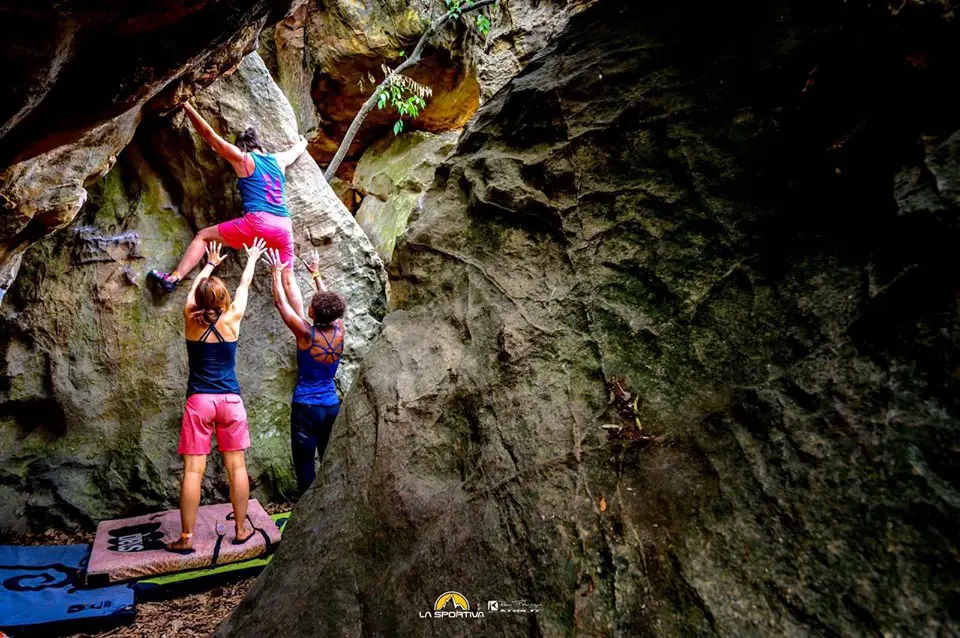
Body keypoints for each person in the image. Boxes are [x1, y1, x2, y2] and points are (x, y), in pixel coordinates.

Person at [149, 101, 308, 313]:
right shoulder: (278, 160)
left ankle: (174, 277)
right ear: (260, 146)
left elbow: (210, 136)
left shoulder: (244, 160)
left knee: (203, 237)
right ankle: (304, 325)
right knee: (288, 277)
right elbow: (297, 150)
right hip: (283, 225)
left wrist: (187, 106)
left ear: (243, 147)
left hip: (258, 223)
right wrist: (303, 142)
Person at [168, 237, 267, 554]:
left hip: (199, 402)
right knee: (237, 468)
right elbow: (244, 287)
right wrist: (251, 258)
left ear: (198, 300)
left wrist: (208, 264)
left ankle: (186, 538)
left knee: (193, 472)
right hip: (230, 402)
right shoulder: (233, 317)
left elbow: (193, 290)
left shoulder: (189, 316)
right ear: (223, 300)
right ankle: (240, 529)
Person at [264, 247, 346, 494]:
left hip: (306, 409)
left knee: (305, 467)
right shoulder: (341, 331)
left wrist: (276, 274)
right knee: (329, 461)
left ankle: (304, 517)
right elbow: (332, 307)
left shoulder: (305, 334)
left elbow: (281, 304)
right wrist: (316, 275)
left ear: (311, 312)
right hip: (331, 406)